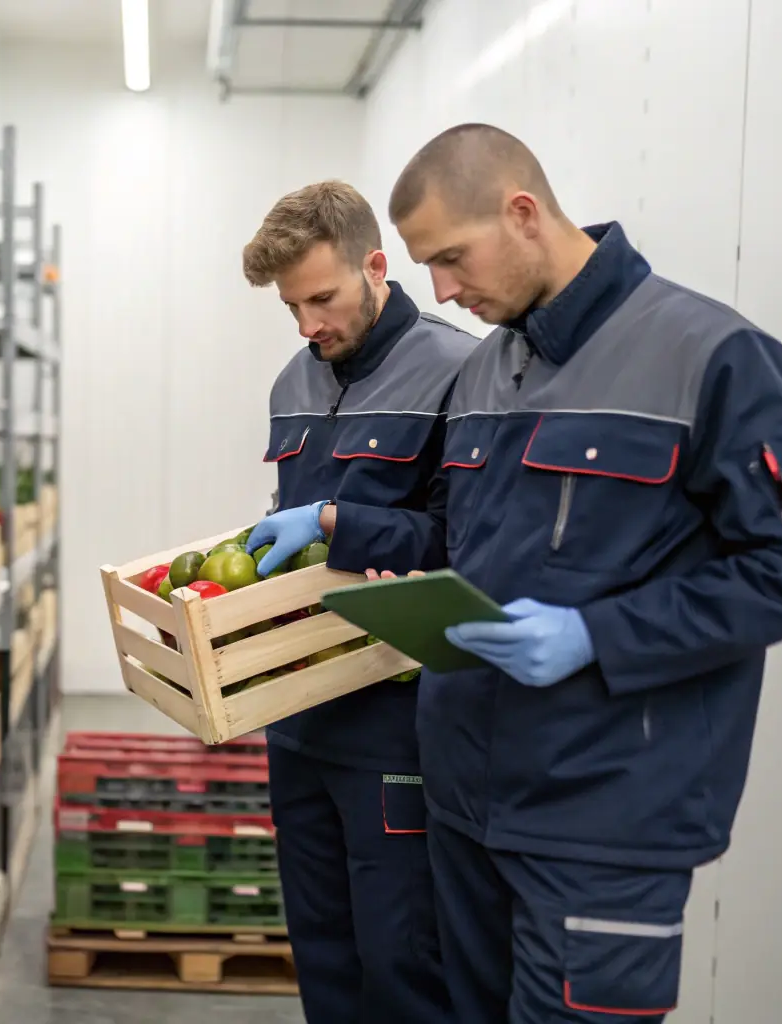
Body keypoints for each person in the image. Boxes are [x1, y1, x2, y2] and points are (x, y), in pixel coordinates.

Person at [256, 125, 782, 1021]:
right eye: (428, 269)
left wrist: (597, 636)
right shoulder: (492, 368)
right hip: (462, 799)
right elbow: (450, 543)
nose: (444, 291)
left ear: (523, 213)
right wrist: (364, 546)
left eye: (452, 259)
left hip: (602, 812)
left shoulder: (708, 353)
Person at [240, 181, 475, 1024]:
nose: (309, 326)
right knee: (324, 954)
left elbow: (465, 542)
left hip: (392, 717)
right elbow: (290, 536)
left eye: (323, 298)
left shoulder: (461, 371)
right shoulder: (291, 381)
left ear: (375, 267)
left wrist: (342, 523)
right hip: (297, 716)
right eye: (292, 306)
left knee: (400, 957)